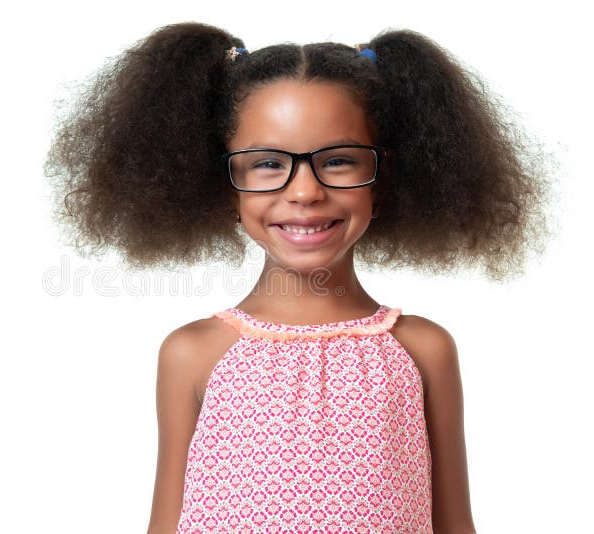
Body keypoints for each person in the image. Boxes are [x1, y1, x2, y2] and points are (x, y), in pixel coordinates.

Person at [45, 22, 552, 534]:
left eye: (338, 160)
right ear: (226, 185)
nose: (305, 192)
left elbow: (455, 526)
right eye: (267, 163)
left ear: (382, 181)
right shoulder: (193, 353)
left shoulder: (423, 349)